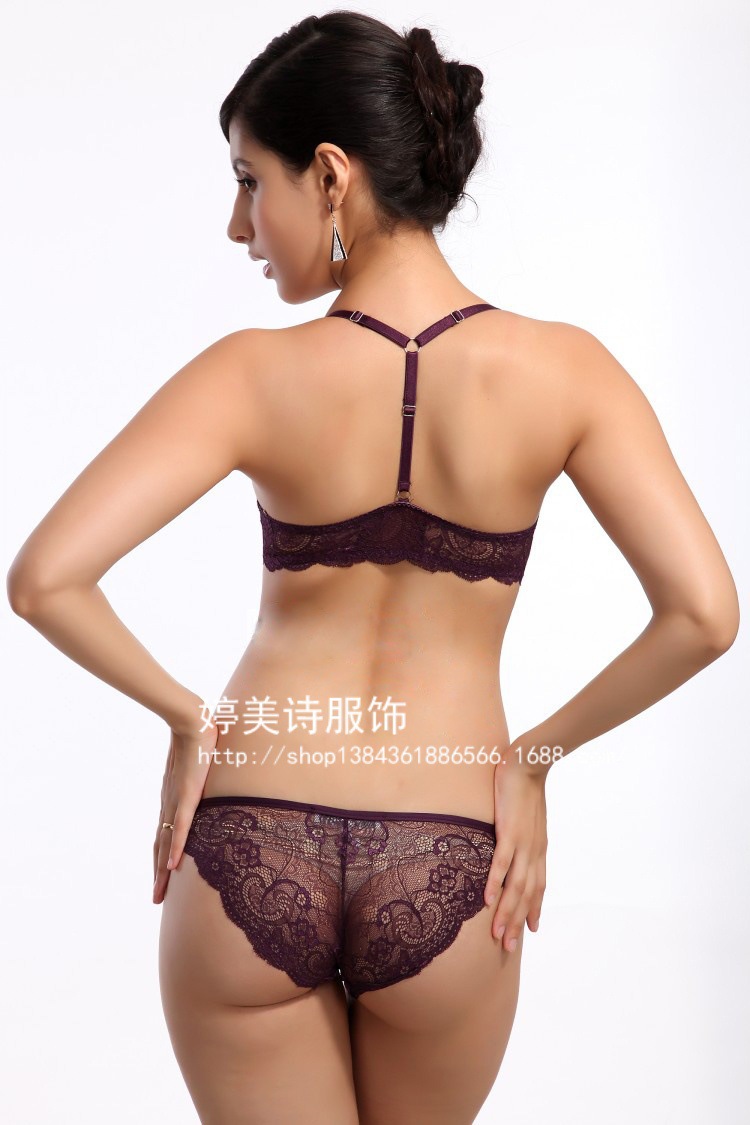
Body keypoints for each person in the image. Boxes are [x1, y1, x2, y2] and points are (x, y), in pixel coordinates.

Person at [6, 10, 739, 1124]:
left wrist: (189, 719)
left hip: (251, 835)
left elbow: (44, 578)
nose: (238, 225)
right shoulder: (569, 372)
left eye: (250, 181)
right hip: (455, 853)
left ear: (331, 174)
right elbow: (705, 614)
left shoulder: (251, 374)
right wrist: (534, 760)